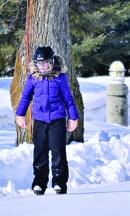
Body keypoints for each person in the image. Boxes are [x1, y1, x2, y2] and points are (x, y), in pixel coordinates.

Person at [16, 46, 78, 194]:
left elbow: (68, 99)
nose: (42, 66)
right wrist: (20, 115)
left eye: (45, 63)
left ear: (51, 62)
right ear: (35, 64)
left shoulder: (60, 78)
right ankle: (39, 182)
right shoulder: (32, 79)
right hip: (39, 120)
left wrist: (73, 118)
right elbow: (25, 98)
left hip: (57, 119)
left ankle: (59, 182)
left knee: (58, 151)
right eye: (39, 63)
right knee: (40, 151)